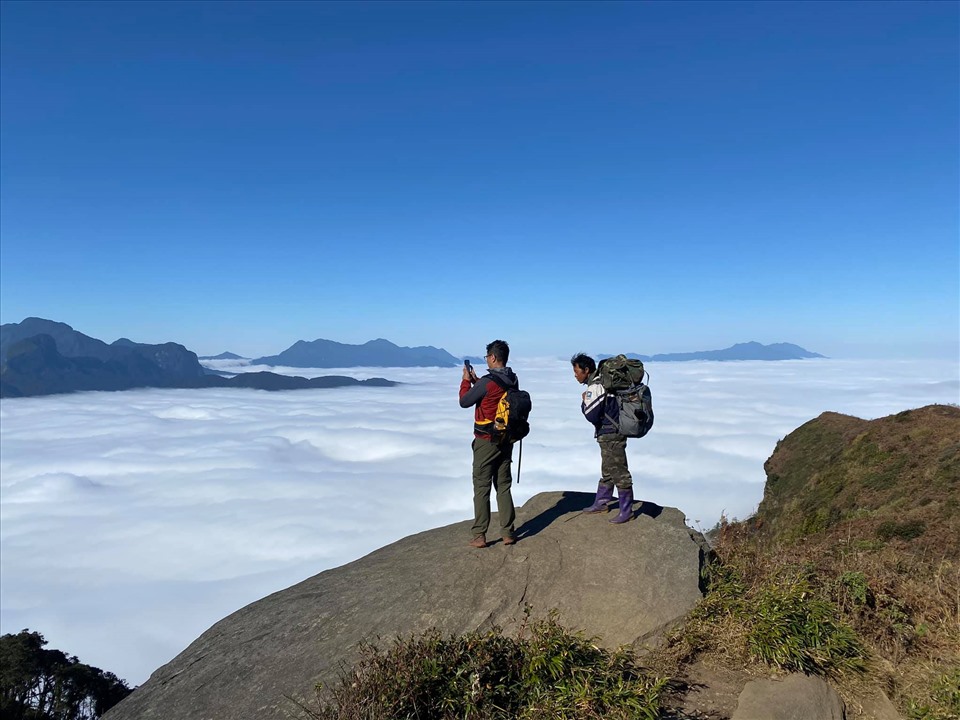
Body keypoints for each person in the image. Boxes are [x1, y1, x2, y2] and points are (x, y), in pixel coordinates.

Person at [459, 339, 518, 548]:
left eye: (487, 357)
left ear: (492, 357)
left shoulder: (487, 382)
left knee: (482, 487)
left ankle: (480, 535)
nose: (487, 360)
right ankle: (508, 533)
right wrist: (478, 382)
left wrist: (467, 381)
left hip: (486, 441)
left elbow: (464, 401)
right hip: (506, 440)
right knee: (503, 486)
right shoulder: (512, 378)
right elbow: (495, 398)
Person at [570, 352, 634, 523]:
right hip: (612, 432)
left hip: (610, 433)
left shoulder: (595, 387)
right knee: (608, 469)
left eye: (577, 371)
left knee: (619, 471)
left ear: (586, 369)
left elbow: (591, 415)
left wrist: (584, 402)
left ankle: (626, 511)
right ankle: (601, 503)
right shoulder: (603, 383)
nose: (575, 375)